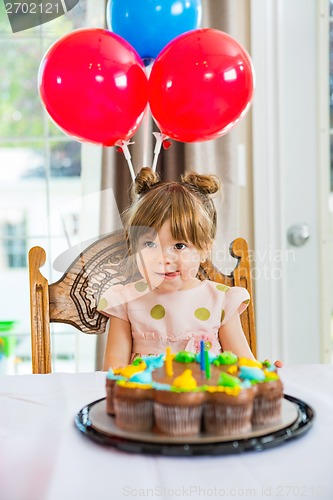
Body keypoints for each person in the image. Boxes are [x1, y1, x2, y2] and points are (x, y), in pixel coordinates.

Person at [98, 167, 255, 370]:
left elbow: (246, 366)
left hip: (205, 399)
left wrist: (270, 372)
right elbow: (113, 370)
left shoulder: (221, 301)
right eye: (150, 244)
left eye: (179, 246)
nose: (164, 258)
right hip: (145, 399)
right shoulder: (125, 300)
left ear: (204, 247)